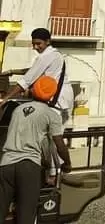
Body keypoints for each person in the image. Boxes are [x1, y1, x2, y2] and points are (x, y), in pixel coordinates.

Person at [0, 28, 74, 182]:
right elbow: (33, 71)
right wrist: (13, 71)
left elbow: (27, 80)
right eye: (33, 44)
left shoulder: (47, 56)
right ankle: (53, 171)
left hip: (57, 101)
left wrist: (5, 99)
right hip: (58, 100)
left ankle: (54, 174)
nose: (35, 47)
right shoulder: (51, 55)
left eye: (38, 44)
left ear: (48, 41)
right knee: (50, 137)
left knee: (53, 138)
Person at [0, 76, 71, 224]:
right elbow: (59, 144)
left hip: (6, 163)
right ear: (52, 95)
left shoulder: (17, 110)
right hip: (28, 166)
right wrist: (67, 163)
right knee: (26, 214)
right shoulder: (51, 115)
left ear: (34, 90)